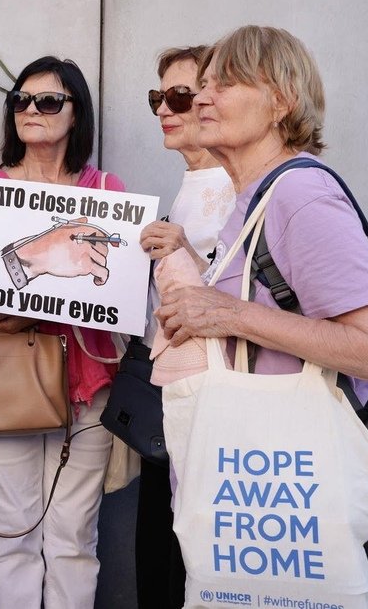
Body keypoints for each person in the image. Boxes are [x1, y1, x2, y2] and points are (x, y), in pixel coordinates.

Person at [156, 25, 368, 423]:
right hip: (256, 446)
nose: (201, 99)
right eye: (203, 85)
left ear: (281, 102)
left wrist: (229, 314)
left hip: (294, 450)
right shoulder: (257, 195)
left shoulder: (300, 194)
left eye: (224, 85)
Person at [0, 55, 125, 609]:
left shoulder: (107, 191)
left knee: (74, 538)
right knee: (10, 534)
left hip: (87, 384)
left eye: (47, 101)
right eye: (20, 101)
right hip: (7, 380)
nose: (31, 110)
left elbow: (120, 294)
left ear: (76, 113)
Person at [135, 45, 235, 609]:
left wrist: (183, 253)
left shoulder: (235, 185)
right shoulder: (193, 180)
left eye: (177, 96)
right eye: (158, 97)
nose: (163, 110)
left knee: (179, 552)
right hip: (174, 394)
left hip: (214, 404)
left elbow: (244, 298)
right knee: (158, 545)